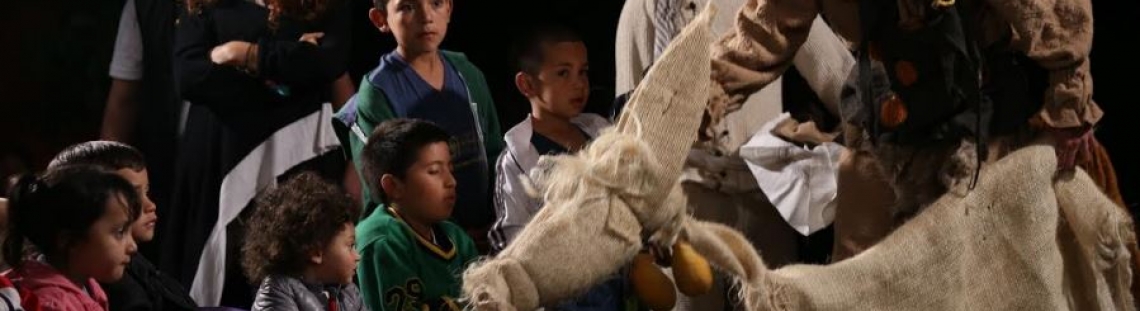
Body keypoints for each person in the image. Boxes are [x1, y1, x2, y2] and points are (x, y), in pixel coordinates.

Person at [168, 0, 351, 305]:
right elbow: (189, 76)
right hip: (222, 161)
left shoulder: (324, 5)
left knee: (299, 274)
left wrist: (239, 53)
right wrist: (284, 73)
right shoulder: (203, 6)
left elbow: (327, 62)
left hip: (298, 159)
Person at [333, 0, 504, 252]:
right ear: (380, 19)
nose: (426, 17)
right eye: (407, 7)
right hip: (422, 249)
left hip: (488, 237)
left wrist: (499, 220)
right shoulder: (378, 93)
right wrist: (452, 236)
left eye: (435, 3)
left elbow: (495, 154)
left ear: (449, 8)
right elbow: (385, 192)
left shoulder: (468, 74)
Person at [46, 141, 197, 311]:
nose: (151, 205)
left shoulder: (133, 265)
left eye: (146, 192)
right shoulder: (108, 275)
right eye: (132, 196)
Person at [355, 119, 477, 311]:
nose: (451, 181)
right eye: (434, 171)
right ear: (393, 186)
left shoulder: (456, 236)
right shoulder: (381, 241)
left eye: (450, 169)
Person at [3, 166, 141, 311]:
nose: (133, 246)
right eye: (120, 232)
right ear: (70, 239)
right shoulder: (53, 304)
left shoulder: (86, 283)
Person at [243, 172, 365, 311]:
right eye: (350, 246)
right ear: (316, 252)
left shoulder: (349, 293)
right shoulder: (277, 291)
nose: (357, 256)